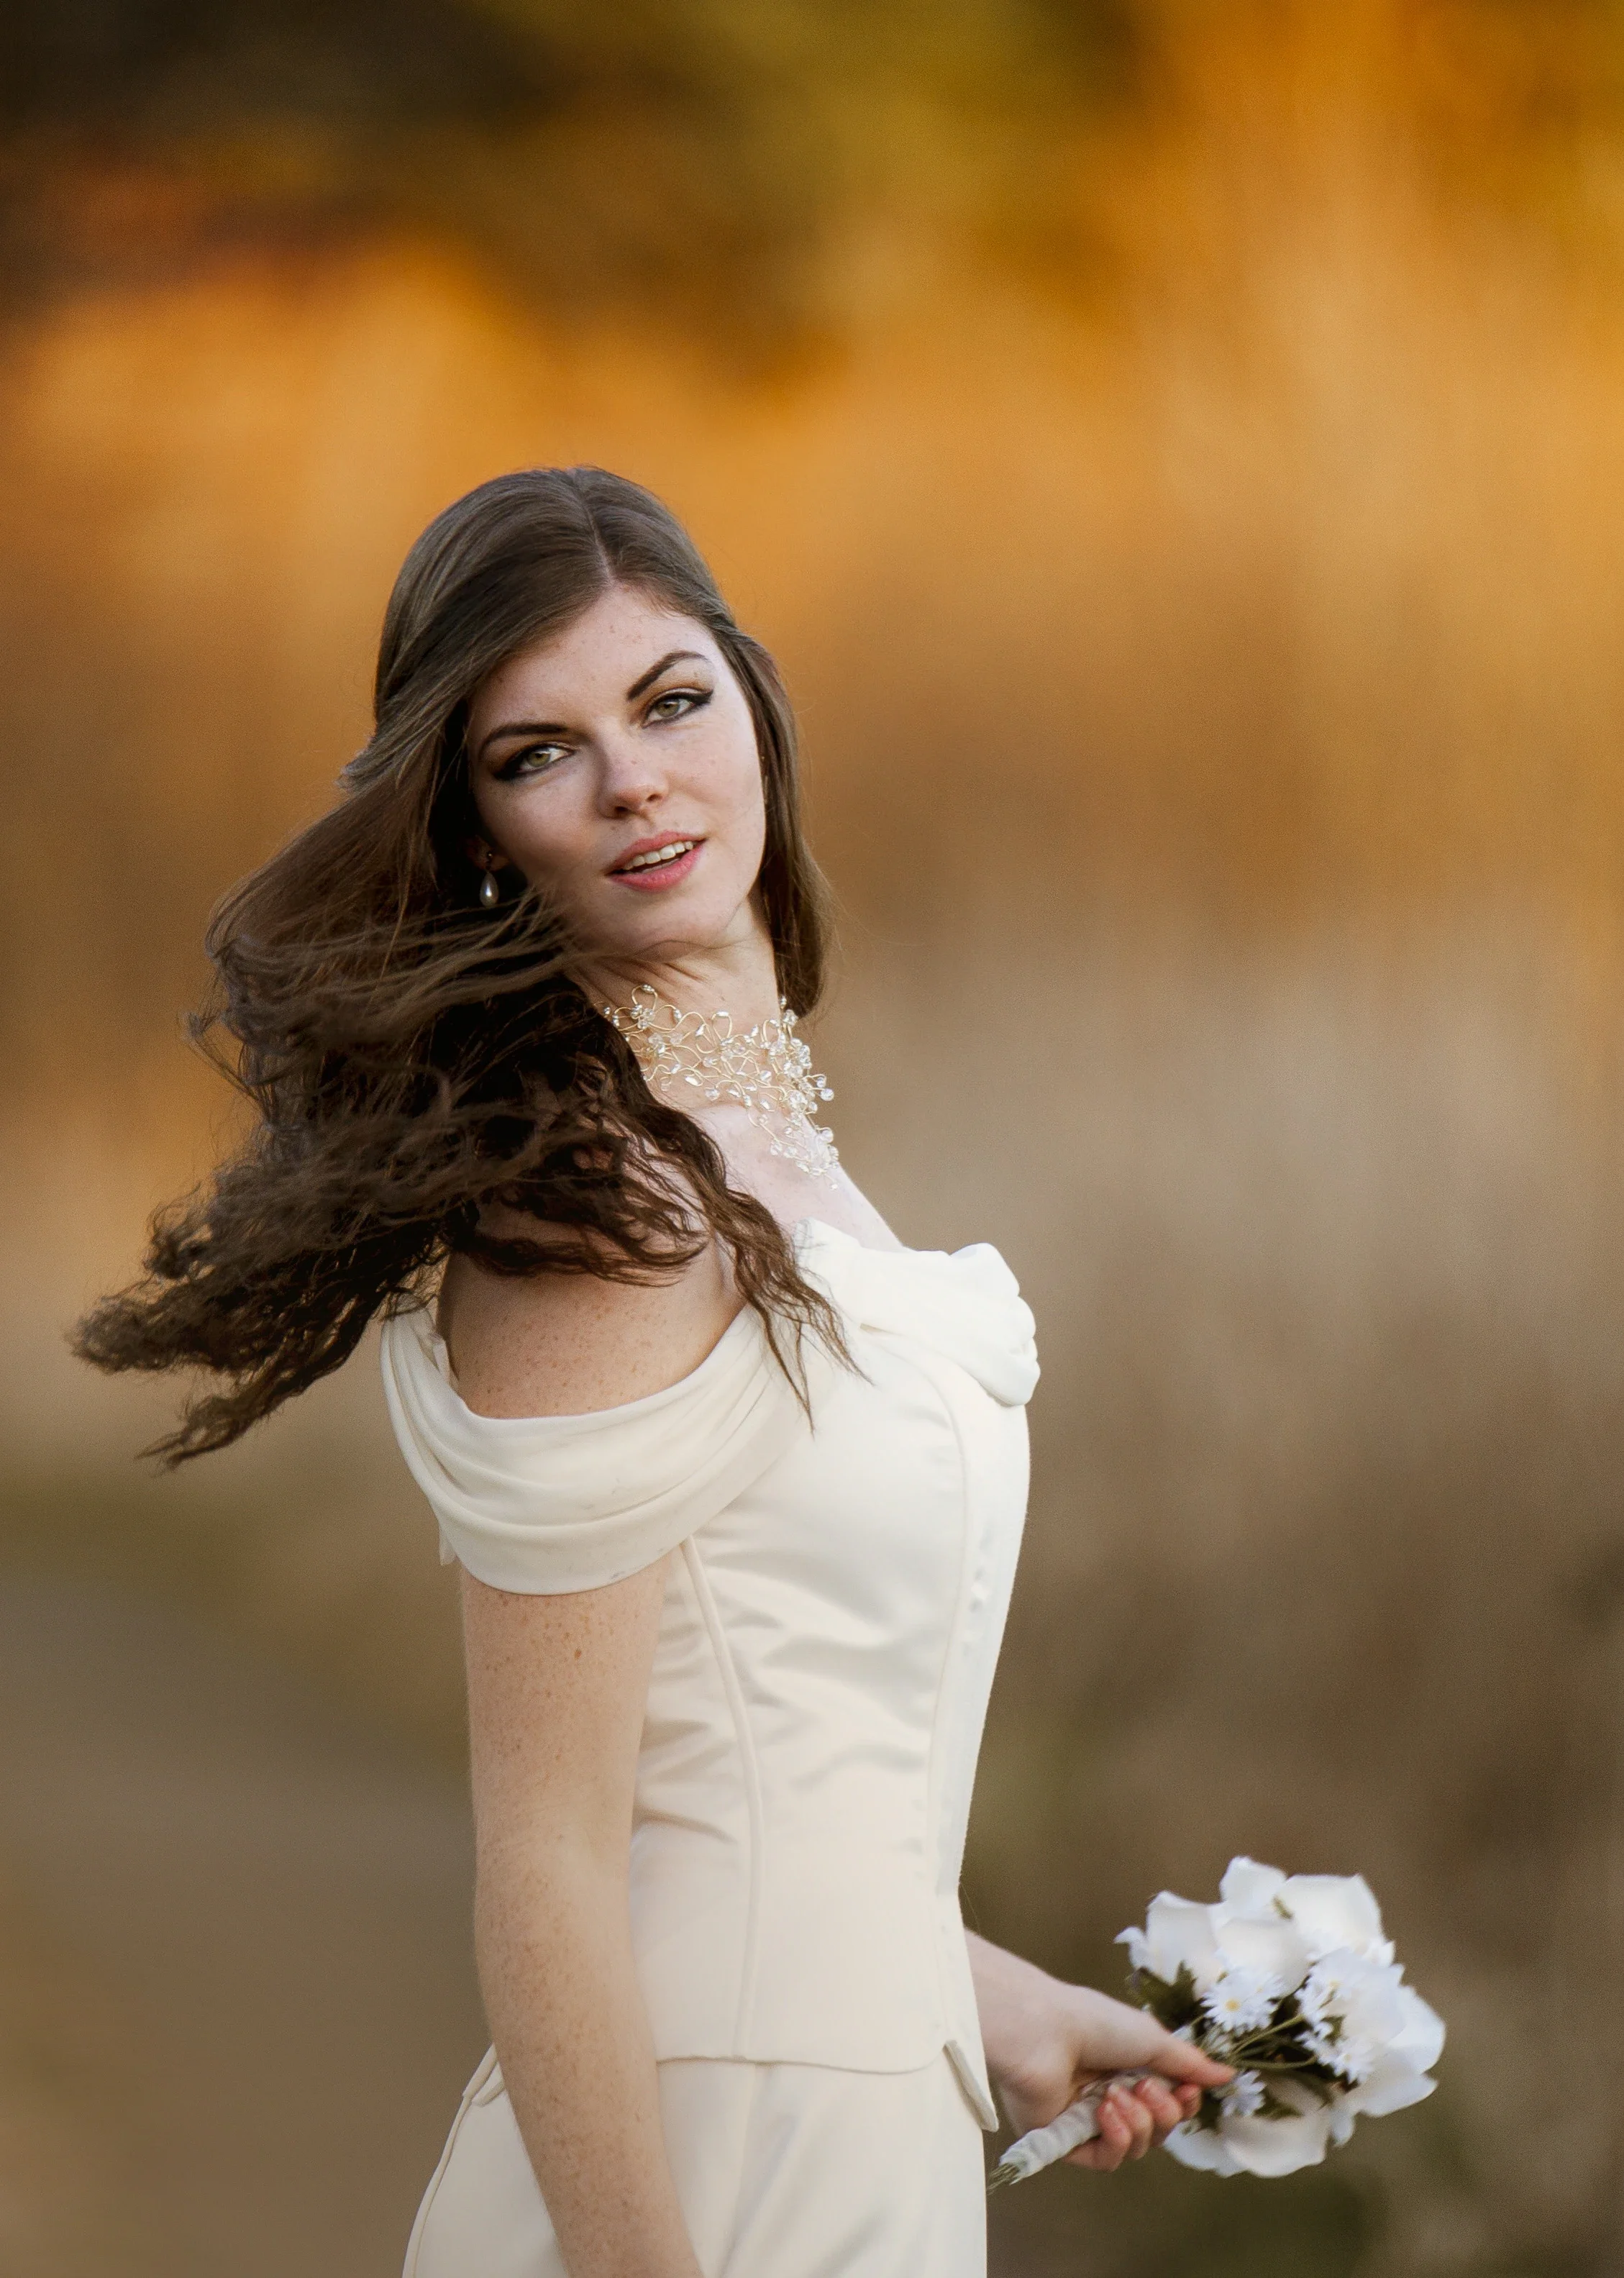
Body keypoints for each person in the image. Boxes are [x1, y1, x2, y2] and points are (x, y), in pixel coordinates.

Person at [76, 468, 1231, 2277]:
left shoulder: (778, 1167)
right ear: (478, 831)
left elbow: (765, 1779)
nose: (632, 779)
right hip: (697, 2179)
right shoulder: (594, 1209)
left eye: (670, 700)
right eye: (541, 751)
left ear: (752, 704)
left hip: (870, 2134)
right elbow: (551, 1856)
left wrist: (986, 2001)